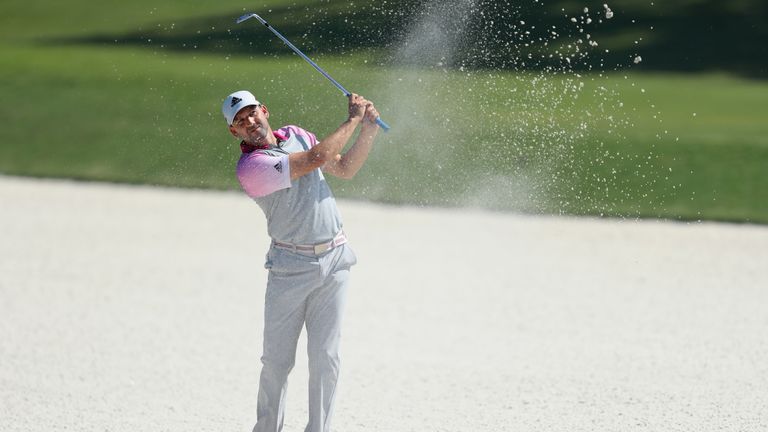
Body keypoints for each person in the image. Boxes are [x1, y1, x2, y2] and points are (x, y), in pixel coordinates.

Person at [221, 90, 381, 432]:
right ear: (234, 132)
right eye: (240, 121)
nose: (249, 122)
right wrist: (352, 118)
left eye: (251, 113)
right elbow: (314, 159)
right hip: (289, 268)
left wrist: (367, 129)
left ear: (265, 111)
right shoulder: (252, 168)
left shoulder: (297, 134)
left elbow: (343, 167)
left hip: (336, 259)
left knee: (326, 359)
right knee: (277, 363)